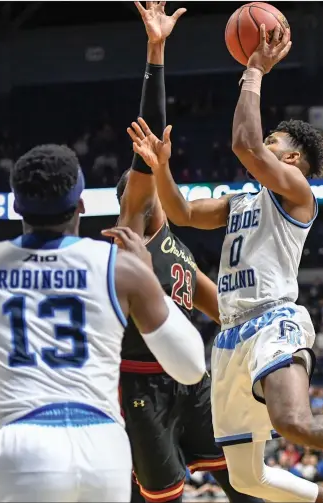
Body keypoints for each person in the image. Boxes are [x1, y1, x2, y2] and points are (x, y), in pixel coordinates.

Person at [126, 21, 323, 503]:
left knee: (292, 421)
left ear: (294, 159)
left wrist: (254, 71)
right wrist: (162, 169)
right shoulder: (241, 200)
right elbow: (179, 212)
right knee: (245, 478)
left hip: (273, 318)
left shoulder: (297, 194)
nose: (266, 147)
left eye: (276, 143)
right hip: (230, 334)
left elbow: (246, 145)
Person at [0, 143, 207, 502]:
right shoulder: (118, 266)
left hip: (20, 446)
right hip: (103, 452)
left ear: (16, 206)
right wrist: (149, 278)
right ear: (82, 205)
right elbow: (192, 367)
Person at [114, 3, 260, 503]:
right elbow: (145, 139)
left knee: (241, 477)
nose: (152, 184)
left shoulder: (175, 243)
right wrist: (156, 49)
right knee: (161, 496)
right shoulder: (129, 228)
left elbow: (219, 306)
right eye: (143, 183)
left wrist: (260, 344)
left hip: (191, 379)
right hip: (141, 386)